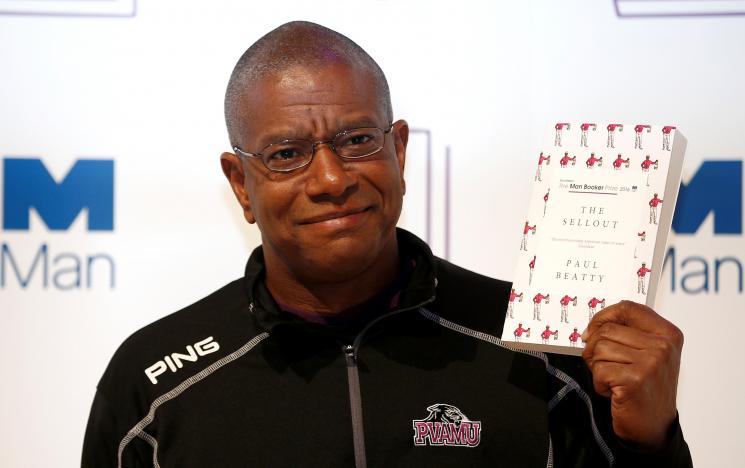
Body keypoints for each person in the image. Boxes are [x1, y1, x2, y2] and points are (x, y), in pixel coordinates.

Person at [82, 21, 691, 468]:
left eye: (356, 140)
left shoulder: (543, 354)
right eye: (287, 154)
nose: (331, 179)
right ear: (241, 183)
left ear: (398, 150)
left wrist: (652, 443)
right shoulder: (153, 387)